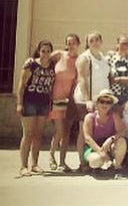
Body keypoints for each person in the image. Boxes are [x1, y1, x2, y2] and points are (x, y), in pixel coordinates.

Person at [16, 40, 57, 177]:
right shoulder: (31, 64)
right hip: (29, 102)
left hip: (44, 103)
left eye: (48, 51)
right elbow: (21, 85)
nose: (45, 54)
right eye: (43, 51)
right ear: (39, 51)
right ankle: (23, 166)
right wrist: (19, 103)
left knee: (38, 135)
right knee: (28, 134)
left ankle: (34, 164)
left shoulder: (52, 66)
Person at [73, 31, 111, 171]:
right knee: (84, 131)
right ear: (87, 43)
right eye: (91, 40)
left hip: (102, 101)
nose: (94, 42)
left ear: (101, 41)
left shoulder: (103, 57)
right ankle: (82, 163)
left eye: (97, 40)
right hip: (86, 101)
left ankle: (95, 161)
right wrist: (88, 99)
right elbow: (81, 78)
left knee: (96, 131)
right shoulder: (85, 58)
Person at [48, 33, 80, 173]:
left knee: (65, 132)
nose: (71, 45)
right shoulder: (59, 55)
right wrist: (31, 61)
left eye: (73, 43)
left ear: (78, 44)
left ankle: (62, 162)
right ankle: (51, 154)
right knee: (60, 130)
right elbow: (42, 60)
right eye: (69, 43)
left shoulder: (80, 60)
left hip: (70, 99)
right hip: (56, 97)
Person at [82, 89, 127, 177]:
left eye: (108, 102)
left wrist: (111, 139)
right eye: (102, 101)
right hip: (93, 148)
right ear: (97, 103)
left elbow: (122, 131)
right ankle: (96, 166)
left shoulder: (114, 116)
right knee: (96, 160)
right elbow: (87, 138)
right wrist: (101, 152)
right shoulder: (90, 117)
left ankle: (116, 167)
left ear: (111, 105)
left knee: (122, 141)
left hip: (109, 146)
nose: (105, 104)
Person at [107, 34, 128, 111]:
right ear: (118, 44)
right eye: (123, 43)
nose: (125, 46)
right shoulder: (110, 59)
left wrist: (118, 79)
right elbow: (110, 78)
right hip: (113, 94)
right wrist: (123, 79)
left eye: (127, 44)